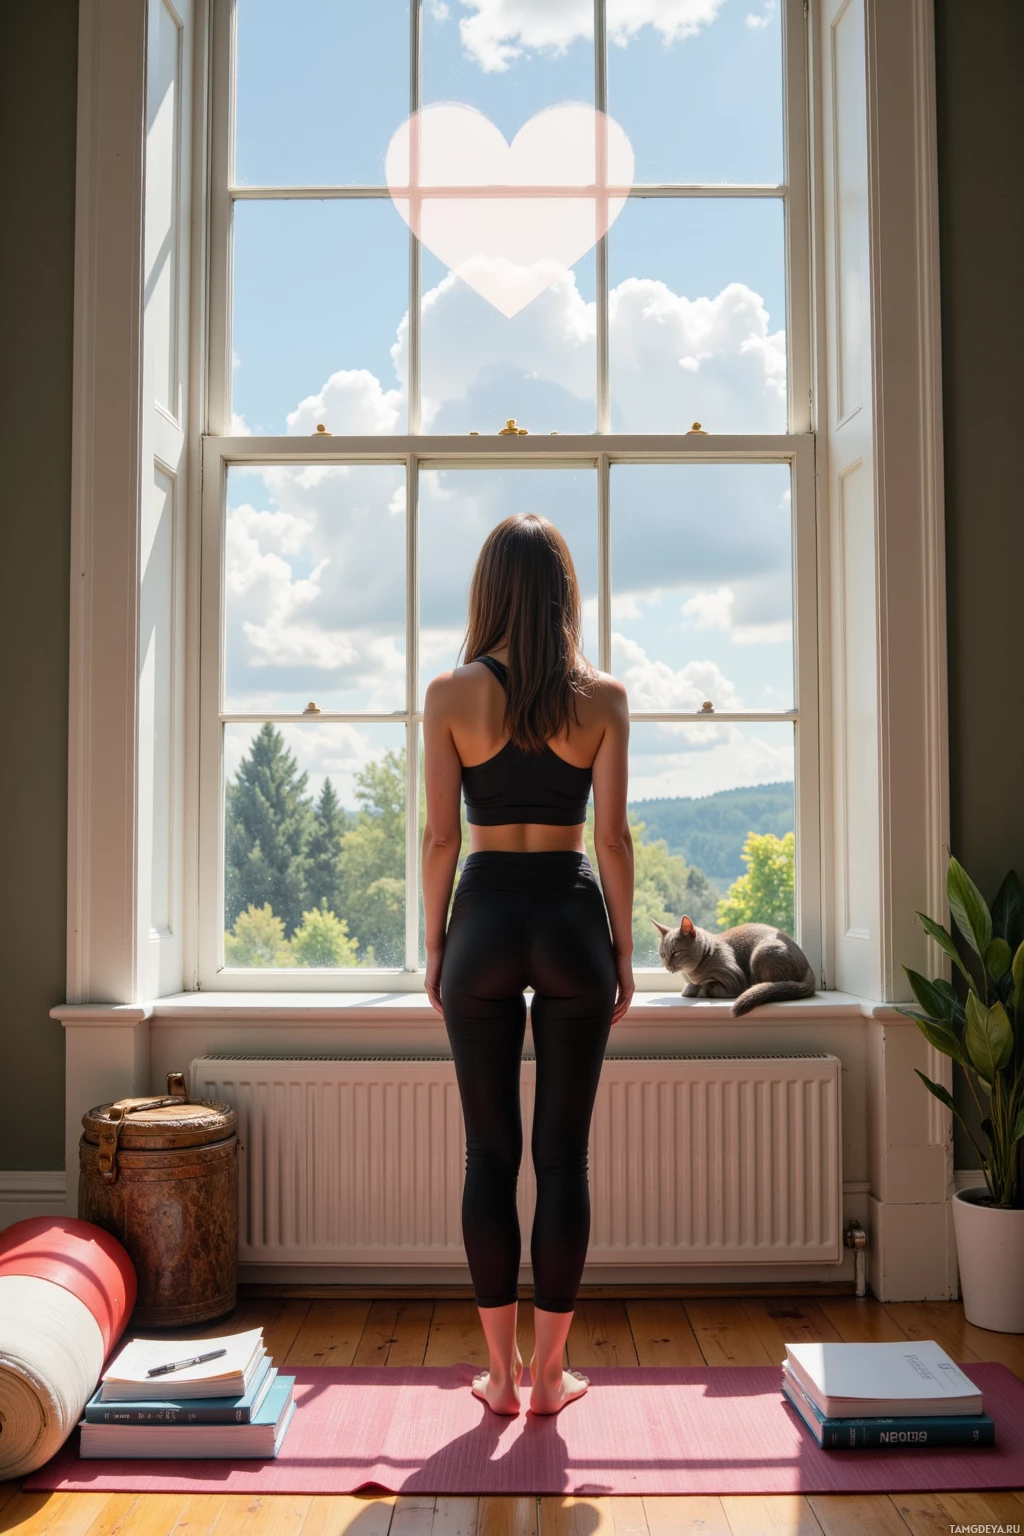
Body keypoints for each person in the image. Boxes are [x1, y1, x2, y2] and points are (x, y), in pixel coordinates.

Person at [421, 512, 635, 1417]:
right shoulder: (603, 699)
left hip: (483, 918)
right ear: (562, 593)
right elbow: (613, 840)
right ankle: (551, 1377)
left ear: (489, 591)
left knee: (488, 1154)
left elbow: (440, 838)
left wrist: (436, 945)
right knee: (563, 1159)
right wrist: (624, 954)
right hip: (571, 917)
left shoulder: (449, 694)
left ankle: (500, 1379)